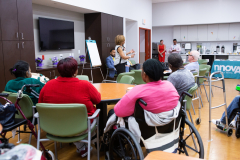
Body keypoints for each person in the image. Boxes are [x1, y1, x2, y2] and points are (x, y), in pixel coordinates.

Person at [38, 58, 101, 157]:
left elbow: (40, 104)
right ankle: (93, 142)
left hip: (53, 127)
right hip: (81, 128)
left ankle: (82, 147)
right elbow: (98, 100)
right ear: (75, 71)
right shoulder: (85, 85)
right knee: (96, 115)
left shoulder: (48, 85)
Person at [114, 59, 179, 117]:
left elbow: (118, 111)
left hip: (147, 127)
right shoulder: (169, 85)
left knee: (112, 112)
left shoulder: (138, 90)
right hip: (170, 126)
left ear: (145, 75)